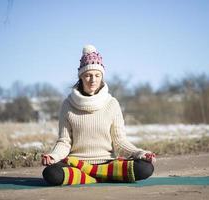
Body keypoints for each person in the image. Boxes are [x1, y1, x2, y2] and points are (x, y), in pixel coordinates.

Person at [41, 45, 156, 186]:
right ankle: (101, 177)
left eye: (97, 75)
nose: (93, 80)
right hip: (77, 164)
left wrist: (140, 153)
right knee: (51, 173)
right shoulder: (68, 104)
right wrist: (54, 156)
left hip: (108, 164)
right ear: (81, 76)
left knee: (145, 168)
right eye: (88, 75)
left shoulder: (112, 103)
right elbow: (64, 141)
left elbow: (120, 141)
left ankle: (88, 177)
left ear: (102, 76)